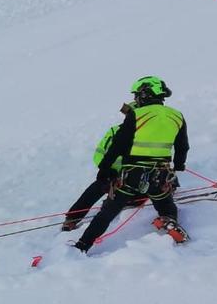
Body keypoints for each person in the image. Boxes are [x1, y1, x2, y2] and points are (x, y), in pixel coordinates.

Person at [75, 76, 190, 252]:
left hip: (133, 174)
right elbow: (182, 145)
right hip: (161, 174)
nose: (136, 98)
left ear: (145, 93)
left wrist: (104, 169)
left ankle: (82, 246)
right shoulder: (177, 115)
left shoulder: (137, 114)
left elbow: (118, 144)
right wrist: (179, 164)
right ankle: (170, 221)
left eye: (137, 94)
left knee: (107, 212)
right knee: (165, 204)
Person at [61, 125, 122, 231]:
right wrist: (106, 169)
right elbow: (99, 154)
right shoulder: (115, 131)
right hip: (111, 174)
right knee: (97, 188)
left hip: (132, 174)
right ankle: (72, 218)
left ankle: (112, 202)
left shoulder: (146, 131)